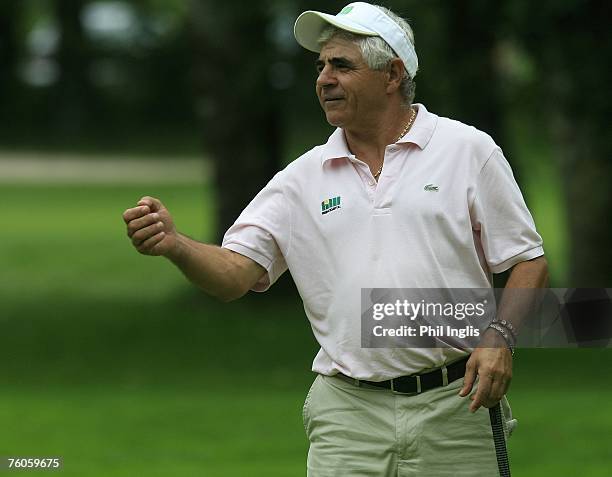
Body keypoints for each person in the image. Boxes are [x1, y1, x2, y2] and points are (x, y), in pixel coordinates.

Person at [123, 2, 548, 475]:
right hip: (347, 415)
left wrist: (501, 339)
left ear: (392, 75)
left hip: (457, 405)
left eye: (342, 65)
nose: (324, 78)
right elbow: (233, 275)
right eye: (320, 66)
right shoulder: (300, 179)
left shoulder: (468, 150)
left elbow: (528, 261)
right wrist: (175, 244)